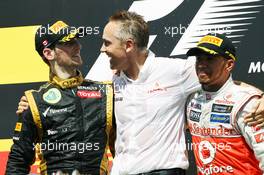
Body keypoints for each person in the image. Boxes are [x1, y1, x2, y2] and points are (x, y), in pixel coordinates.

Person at [16, 11, 264, 175]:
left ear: (129, 45)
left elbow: (223, 77)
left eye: (107, 43)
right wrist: (29, 105)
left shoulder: (176, 70)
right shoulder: (106, 84)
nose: (102, 50)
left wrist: (260, 99)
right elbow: (68, 93)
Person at [6, 20, 115, 175]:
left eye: (76, 41)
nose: (78, 46)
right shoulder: (34, 102)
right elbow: (18, 161)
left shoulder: (106, 93)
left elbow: (126, 150)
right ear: (48, 53)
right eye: (68, 42)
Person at [185, 33, 264, 174]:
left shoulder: (246, 102)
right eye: (199, 59)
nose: (202, 64)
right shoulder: (192, 100)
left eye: (209, 59)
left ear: (229, 65)